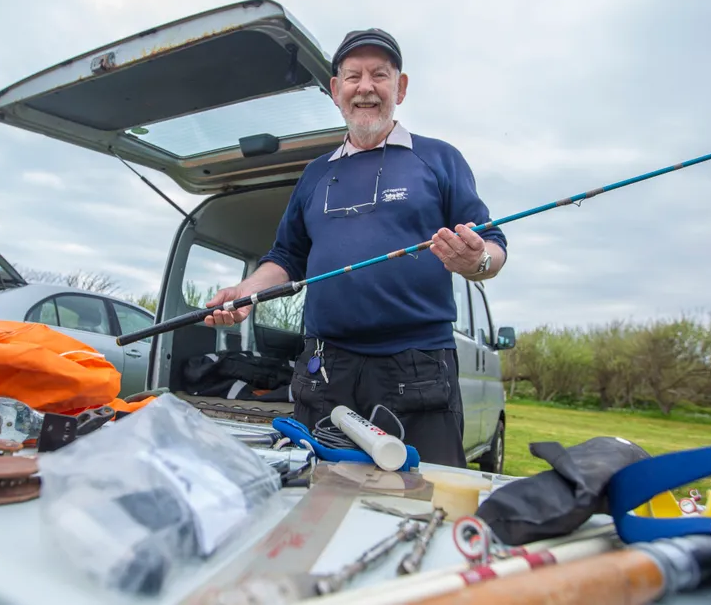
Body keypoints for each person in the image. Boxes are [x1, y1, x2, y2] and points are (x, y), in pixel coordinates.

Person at [203, 28, 508, 468]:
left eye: (379, 75)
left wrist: (476, 260)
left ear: (399, 88)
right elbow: (286, 258)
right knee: (315, 498)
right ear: (336, 91)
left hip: (418, 370)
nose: (365, 87)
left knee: (425, 498)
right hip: (325, 370)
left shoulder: (439, 159)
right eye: (353, 76)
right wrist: (246, 291)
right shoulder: (314, 175)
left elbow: (494, 247)